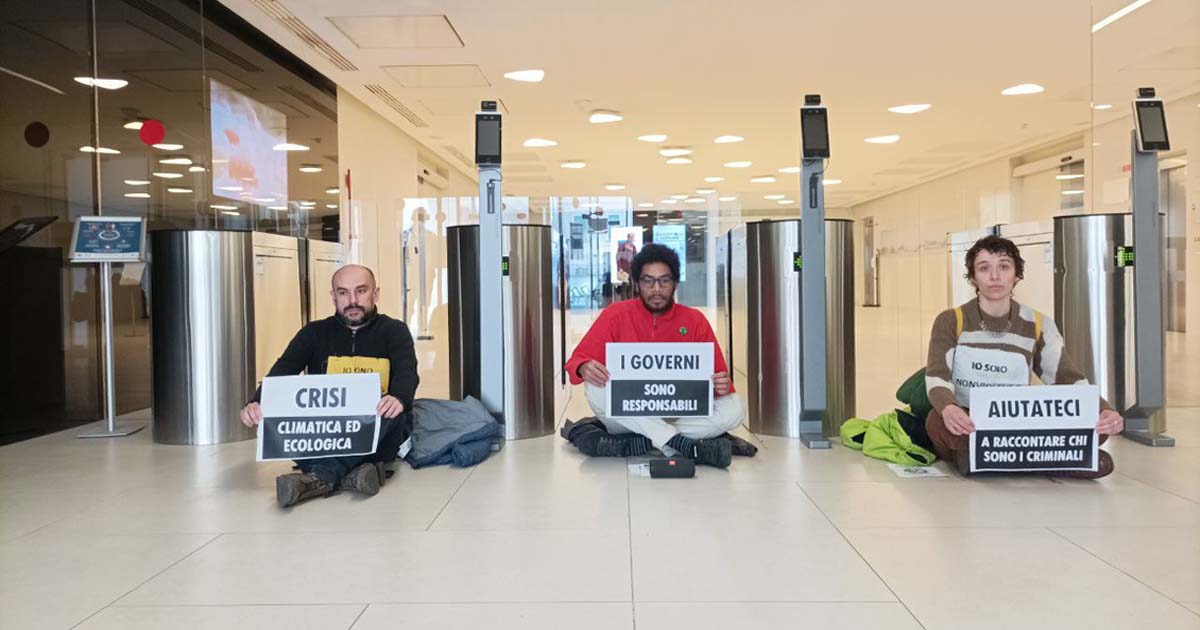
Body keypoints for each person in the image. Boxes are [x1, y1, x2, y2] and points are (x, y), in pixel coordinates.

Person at [925, 235, 1123, 478]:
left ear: (1016, 275)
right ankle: (1056, 459)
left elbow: (1066, 378)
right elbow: (936, 377)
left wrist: (1105, 411)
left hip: (1015, 422)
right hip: (970, 420)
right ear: (973, 277)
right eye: (984, 268)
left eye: (1004, 267)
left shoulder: (1039, 324)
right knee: (936, 421)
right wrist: (948, 408)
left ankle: (984, 458)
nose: (995, 277)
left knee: (1094, 426)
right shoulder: (951, 320)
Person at [240, 265, 419, 507]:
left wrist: (398, 397)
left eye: (361, 291)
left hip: (375, 427)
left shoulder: (394, 331)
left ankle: (318, 478)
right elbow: (284, 369)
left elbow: (407, 372)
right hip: (327, 433)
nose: (352, 301)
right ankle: (355, 474)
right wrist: (256, 402)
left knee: (394, 413)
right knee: (284, 415)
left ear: (375, 294)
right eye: (343, 293)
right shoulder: (314, 333)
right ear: (333, 296)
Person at [566, 243, 744, 467]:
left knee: (735, 407)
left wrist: (721, 384)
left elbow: (721, 381)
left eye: (664, 280)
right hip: (629, 416)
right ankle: (682, 444)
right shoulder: (615, 315)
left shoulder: (695, 320)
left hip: (680, 415)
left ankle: (649, 441)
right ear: (637, 284)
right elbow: (576, 361)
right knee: (594, 387)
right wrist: (585, 367)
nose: (656, 288)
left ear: (675, 283)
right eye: (648, 281)